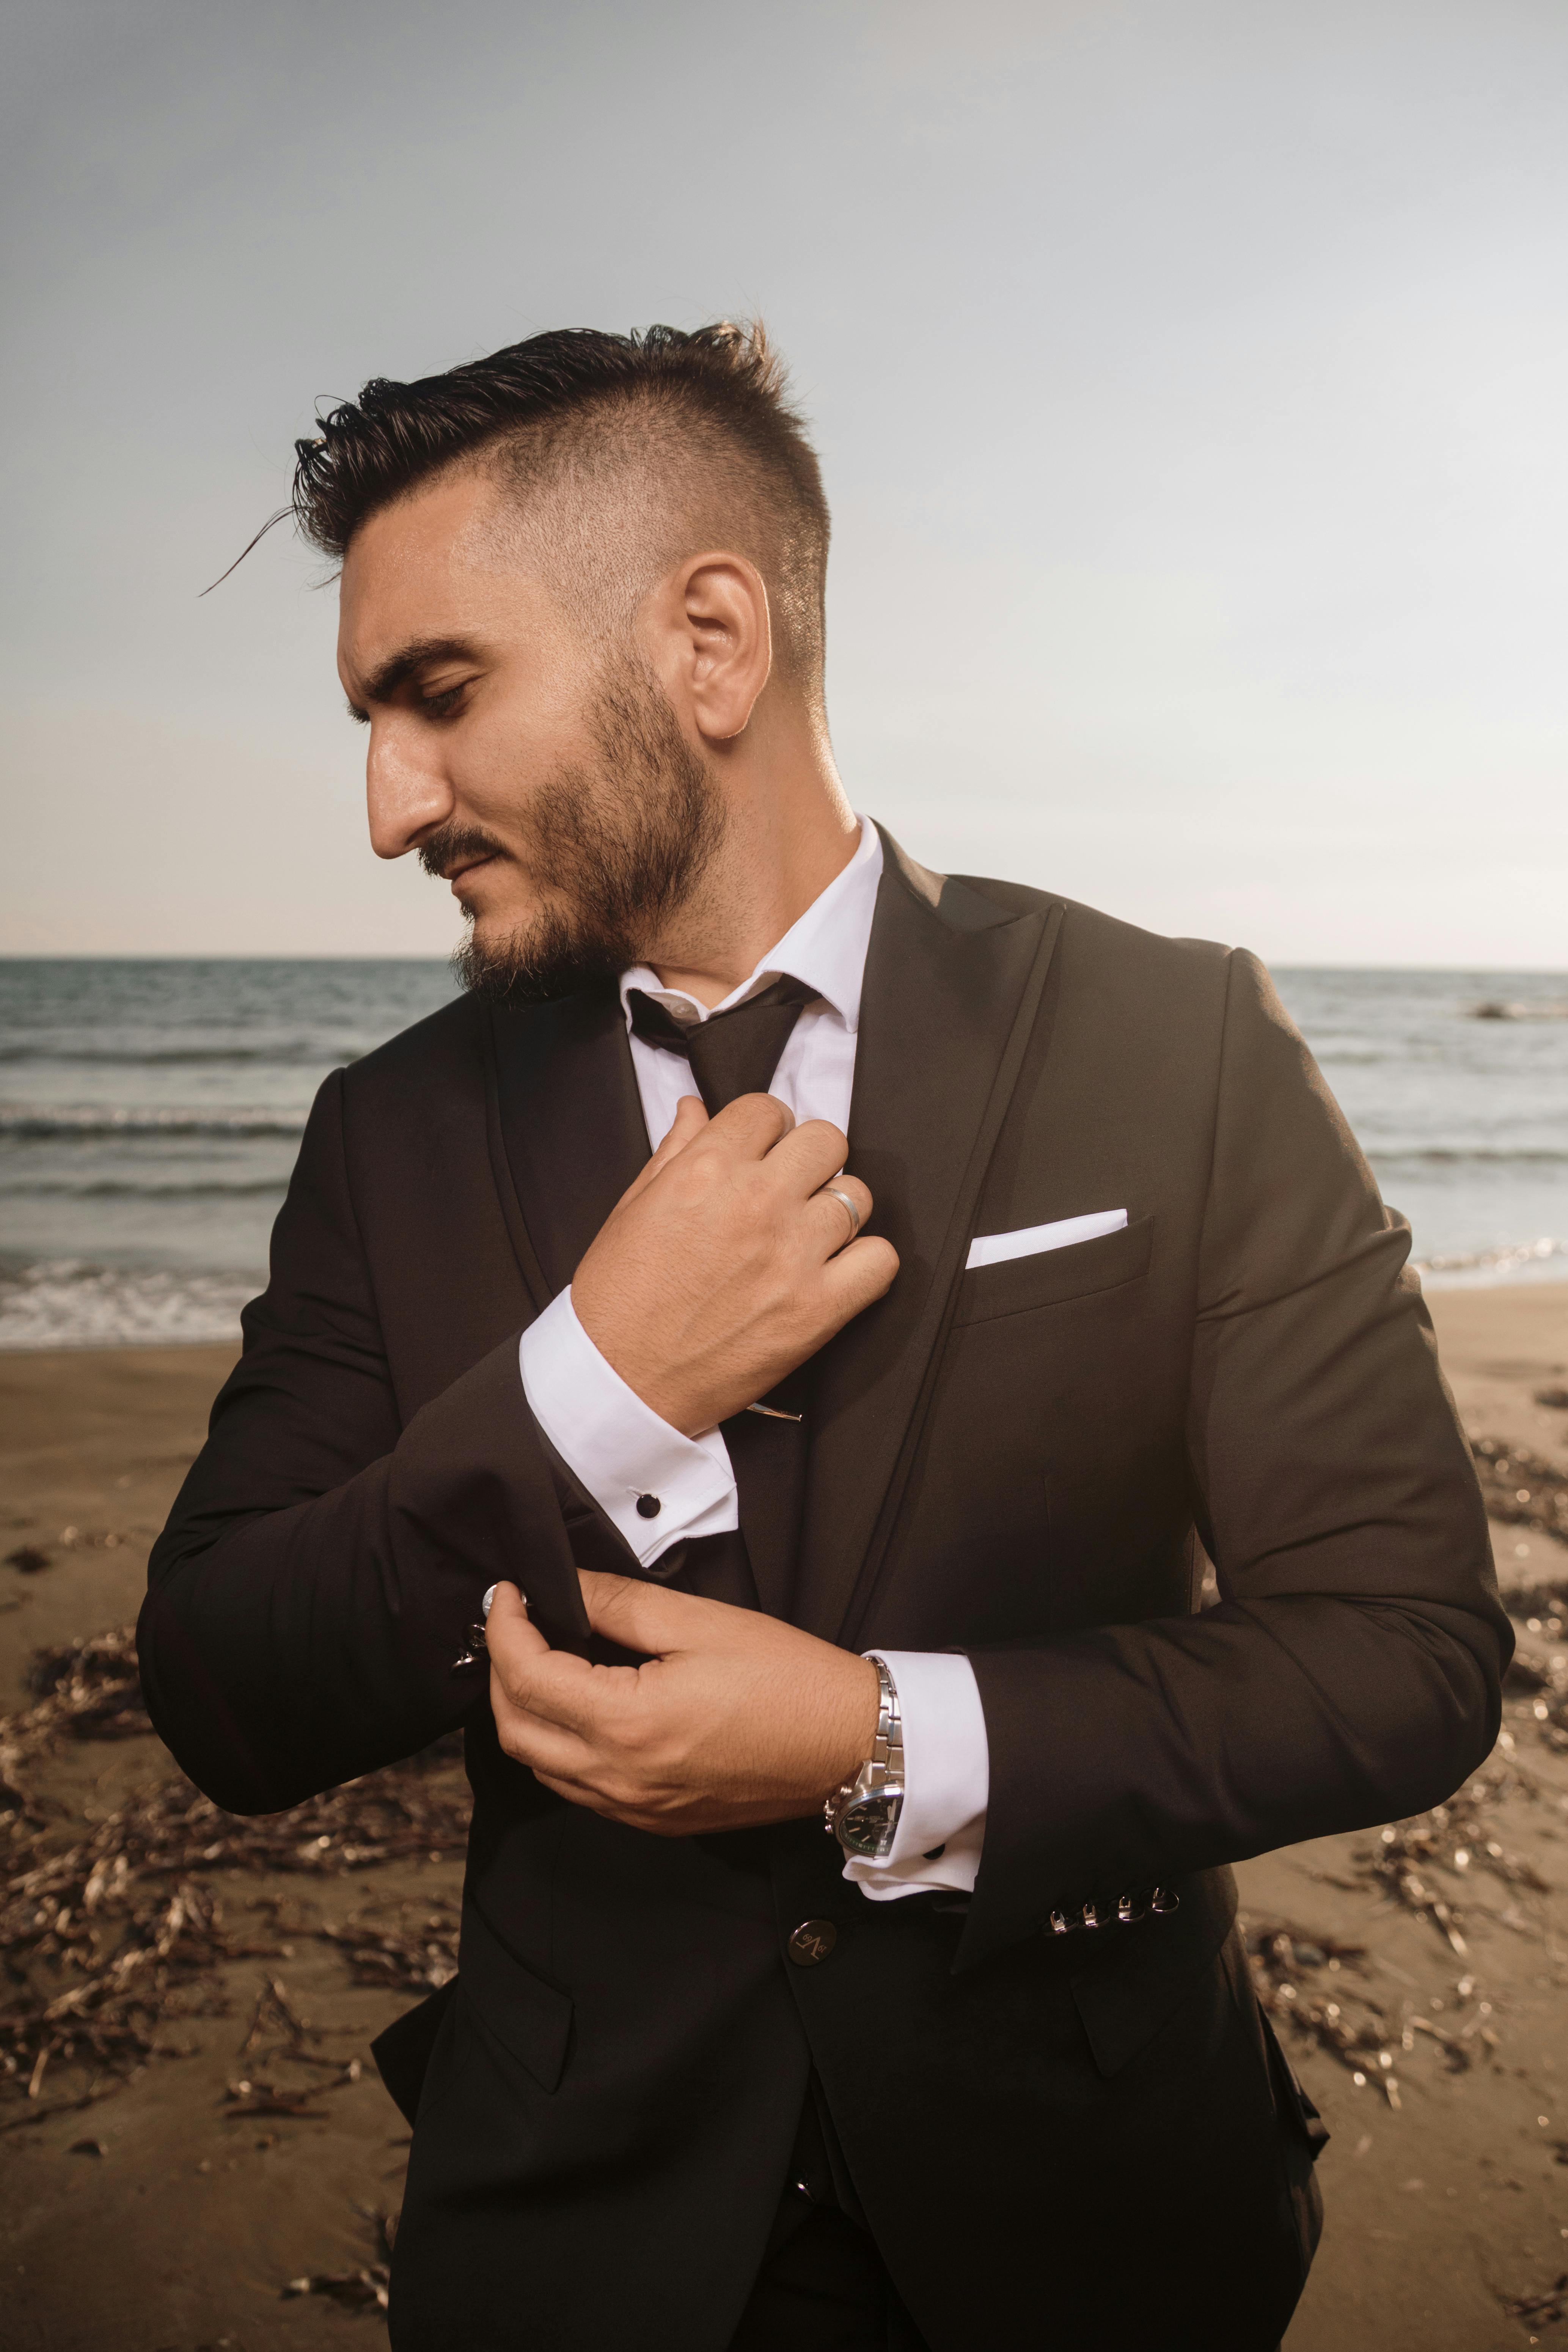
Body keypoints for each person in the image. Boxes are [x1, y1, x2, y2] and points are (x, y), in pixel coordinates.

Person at [140, 322, 1507, 2352]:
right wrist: (593, 1386)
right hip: (576, 2246)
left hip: (1096, 2223)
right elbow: (228, 1687)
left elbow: (1400, 1658)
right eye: (368, 719)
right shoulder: (387, 1134)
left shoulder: (1177, 1044)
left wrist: (884, 1744)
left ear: (708, 641)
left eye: (437, 697)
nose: (382, 804)